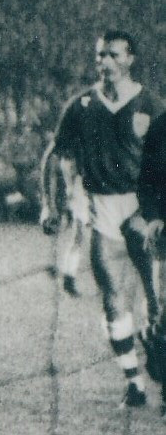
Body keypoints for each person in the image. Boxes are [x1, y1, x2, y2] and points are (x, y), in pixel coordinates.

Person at [48, 31, 160, 406]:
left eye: (112, 55)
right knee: (113, 301)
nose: (104, 62)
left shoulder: (152, 105)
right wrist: (54, 199)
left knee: (156, 302)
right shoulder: (80, 107)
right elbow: (58, 152)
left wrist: (156, 213)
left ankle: (158, 361)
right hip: (102, 212)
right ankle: (134, 383)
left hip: (144, 211)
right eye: (100, 56)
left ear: (130, 59)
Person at [39, 144, 88, 297]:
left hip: (79, 186)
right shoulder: (64, 151)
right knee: (79, 236)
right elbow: (52, 172)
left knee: (79, 236)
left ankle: (68, 276)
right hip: (80, 186)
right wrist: (50, 204)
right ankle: (69, 277)